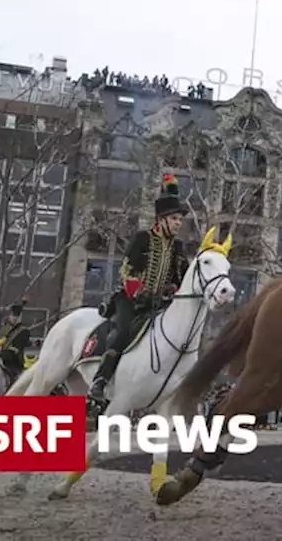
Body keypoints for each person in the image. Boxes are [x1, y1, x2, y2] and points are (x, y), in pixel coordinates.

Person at [86, 174, 190, 409]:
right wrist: (140, 292)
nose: (178, 224)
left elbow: (180, 278)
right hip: (131, 300)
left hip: (160, 304)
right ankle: (100, 380)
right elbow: (127, 270)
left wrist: (173, 289)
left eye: (179, 220)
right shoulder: (143, 238)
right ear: (161, 219)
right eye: (174, 219)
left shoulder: (178, 248)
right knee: (122, 331)